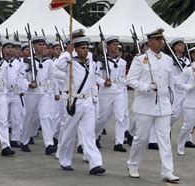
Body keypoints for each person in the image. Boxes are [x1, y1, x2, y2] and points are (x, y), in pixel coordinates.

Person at [126, 28, 180, 183]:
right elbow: (130, 80)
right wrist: (146, 87)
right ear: (149, 42)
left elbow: (171, 85)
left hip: (163, 104)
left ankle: (168, 171)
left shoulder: (167, 59)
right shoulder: (140, 59)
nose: (160, 42)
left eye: (161, 39)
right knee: (141, 138)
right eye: (157, 39)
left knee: (164, 139)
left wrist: (173, 103)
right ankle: (133, 164)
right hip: (145, 104)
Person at [56, 36, 105, 175]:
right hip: (74, 101)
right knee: (69, 132)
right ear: (76, 49)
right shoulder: (69, 62)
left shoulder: (92, 63)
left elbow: (92, 82)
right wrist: (67, 53)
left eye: (86, 48)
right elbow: (56, 66)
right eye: (82, 48)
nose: (85, 50)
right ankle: (65, 160)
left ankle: (95, 163)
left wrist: (95, 99)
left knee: (89, 133)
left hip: (88, 101)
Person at [20, 37, 60, 155]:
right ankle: (24, 140)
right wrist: (28, 84)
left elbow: (53, 78)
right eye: (39, 45)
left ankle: (49, 144)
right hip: (32, 92)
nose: (42, 47)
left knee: (45, 116)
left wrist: (56, 92)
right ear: (33, 47)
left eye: (43, 45)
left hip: (45, 92)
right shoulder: (26, 61)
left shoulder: (49, 62)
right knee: (29, 117)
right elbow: (20, 77)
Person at [94, 36, 128, 152]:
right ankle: (95, 136)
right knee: (102, 118)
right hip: (106, 92)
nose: (116, 47)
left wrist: (122, 86)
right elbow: (96, 76)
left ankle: (119, 142)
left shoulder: (123, 62)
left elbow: (123, 77)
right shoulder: (101, 61)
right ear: (108, 46)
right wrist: (104, 82)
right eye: (113, 44)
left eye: (117, 45)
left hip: (118, 91)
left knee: (120, 117)